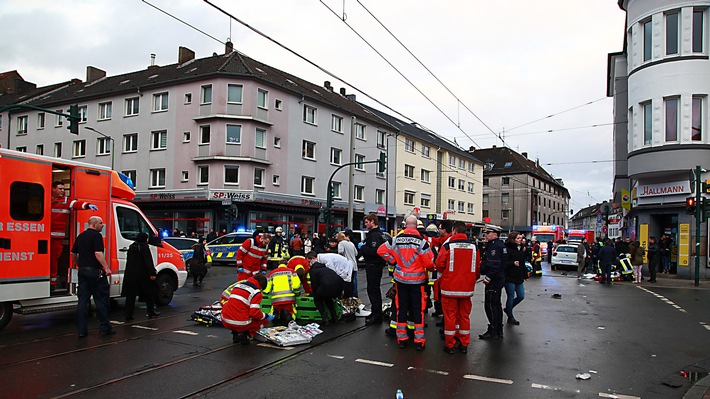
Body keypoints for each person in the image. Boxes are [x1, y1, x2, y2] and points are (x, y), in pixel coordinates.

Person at [377, 215, 435, 351]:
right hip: (417, 282)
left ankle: (401, 339)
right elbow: (429, 263)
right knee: (417, 311)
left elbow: (381, 250)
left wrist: (393, 261)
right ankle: (419, 341)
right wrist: (430, 267)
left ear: (405, 225)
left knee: (401, 309)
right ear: (415, 226)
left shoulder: (396, 239)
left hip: (401, 281)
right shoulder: (422, 242)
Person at [435, 221, 479, 354]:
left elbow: (439, 264)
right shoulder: (474, 247)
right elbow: (477, 268)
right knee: (464, 317)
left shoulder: (448, 246)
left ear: (453, 231)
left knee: (450, 317)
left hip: (450, 288)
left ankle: (450, 345)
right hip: (466, 289)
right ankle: (464, 343)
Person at [71, 216, 114, 337]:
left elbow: (73, 253)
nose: (102, 225)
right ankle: (105, 328)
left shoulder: (81, 236)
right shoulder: (96, 236)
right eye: (101, 223)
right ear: (94, 224)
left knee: (82, 302)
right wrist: (106, 267)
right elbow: (98, 253)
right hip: (95, 272)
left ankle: (82, 331)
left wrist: (77, 263)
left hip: (82, 271)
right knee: (100, 300)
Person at [51, 181, 98, 290]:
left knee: (54, 259)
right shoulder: (45, 198)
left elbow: (76, 204)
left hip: (57, 237)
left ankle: (52, 283)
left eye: (64, 189)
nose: (63, 191)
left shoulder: (66, 201)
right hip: (43, 234)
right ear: (53, 189)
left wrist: (87, 205)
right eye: (60, 189)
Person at [221, 274, 274, 344]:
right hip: (240, 323)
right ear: (261, 286)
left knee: (238, 310)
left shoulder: (238, 285)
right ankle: (245, 334)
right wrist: (266, 316)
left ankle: (235, 333)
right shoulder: (256, 292)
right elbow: (254, 313)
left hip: (225, 319)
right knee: (262, 321)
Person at [122, 232, 159, 321]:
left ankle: (128, 315)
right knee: (149, 293)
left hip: (131, 275)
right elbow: (148, 261)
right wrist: (152, 273)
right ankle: (151, 311)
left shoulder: (132, 247)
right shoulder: (144, 247)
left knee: (130, 296)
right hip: (143, 275)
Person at [479, 225, 507, 340]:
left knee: (490, 305)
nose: (486, 235)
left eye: (488, 233)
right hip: (499, 278)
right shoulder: (499, 245)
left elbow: (494, 265)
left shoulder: (494, 247)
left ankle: (493, 330)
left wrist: (488, 278)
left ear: (495, 234)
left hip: (494, 279)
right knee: (496, 305)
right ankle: (498, 329)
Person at [360, 213, 388, 325]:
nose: (365, 224)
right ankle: (375, 312)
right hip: (374, 265)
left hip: (374, 265)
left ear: (373, 222)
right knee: (373, 289)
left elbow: (375, 251)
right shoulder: (376, 234)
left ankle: (376, 315)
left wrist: (363, 248)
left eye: (367, 222)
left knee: (373, 290)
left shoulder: (374, 235)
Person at [306, 251, 344, 325]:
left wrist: (313, 294)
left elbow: (314, 285)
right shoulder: (325, 268)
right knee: (327, 298)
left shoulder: (313, 271)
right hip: (339, 285)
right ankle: (334, 317)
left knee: (317, 299)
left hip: (327, 286)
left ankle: (325, 318)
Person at [504, 232, 526, 326]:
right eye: (518, 238)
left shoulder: (520, 249)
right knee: (511, 297)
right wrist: (512, 263)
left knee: (521, 296)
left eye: (520, 238)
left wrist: (525, 274)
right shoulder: (507, 249)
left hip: (519, 276)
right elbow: (503, 263)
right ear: (513, 239)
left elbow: (522, 263)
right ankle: (510, 316)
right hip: (509, 276)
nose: (520, 240)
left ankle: (508, 309)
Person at [337, 232, 359, 298]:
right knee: (354, 280)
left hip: (347, 265)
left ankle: (347, 295)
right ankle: (355, 294)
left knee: (347, 281)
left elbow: (340, 252)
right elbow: (356, 253)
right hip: (354, 264)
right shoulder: (351, 243)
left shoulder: (341, 243)